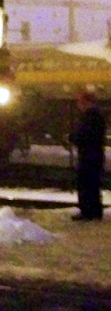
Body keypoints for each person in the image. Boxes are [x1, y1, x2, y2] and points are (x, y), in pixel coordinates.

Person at [69, 88, 105, 221]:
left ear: (85, 102)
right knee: (93, 184)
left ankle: (87, 211)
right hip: (95, 155)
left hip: (88, 155)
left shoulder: (90, 117)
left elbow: (85, 136)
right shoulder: (96, 116)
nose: (78, 105)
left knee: (86, 183)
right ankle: (94, 210)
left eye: (80, 101)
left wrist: (73, 137)